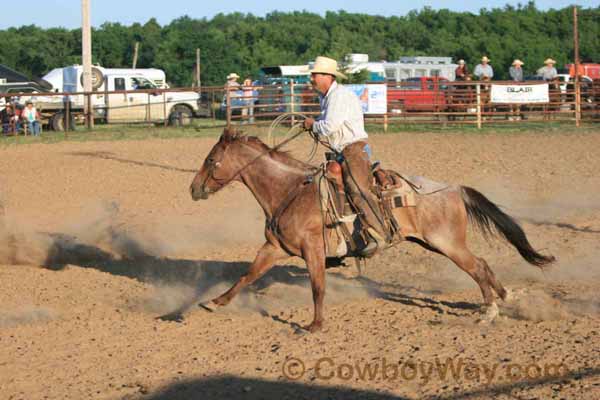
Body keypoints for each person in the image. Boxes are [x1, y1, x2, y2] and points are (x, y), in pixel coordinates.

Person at [303, 56, 389, 257]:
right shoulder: (327, 97)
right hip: (341, 152)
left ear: (326, 76)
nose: (312, 78)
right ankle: (336, 236)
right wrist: (315, 124)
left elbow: (330, 126)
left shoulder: (339, 96)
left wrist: (312, 125)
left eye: (314, 74)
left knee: (358, 189)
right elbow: (328, 123)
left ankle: (378, 234)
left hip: (353, 150)